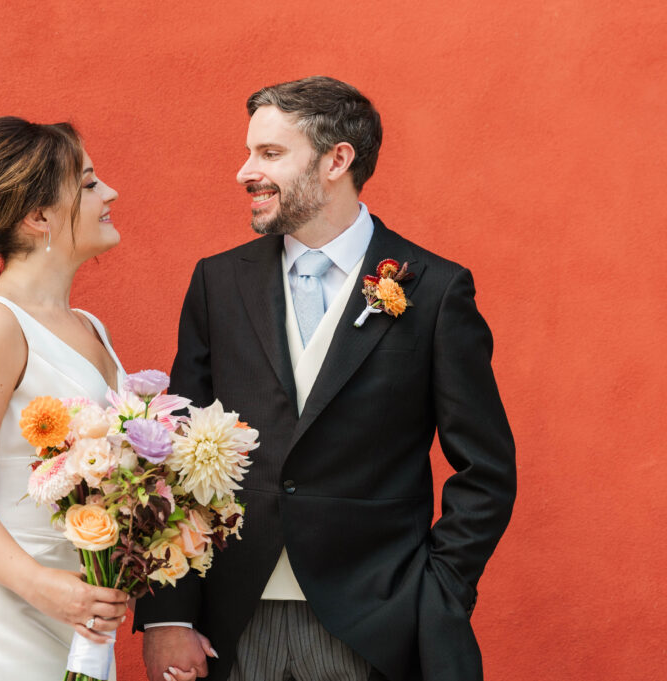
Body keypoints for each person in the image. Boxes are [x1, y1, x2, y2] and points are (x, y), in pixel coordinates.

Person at [134, 76, 517, 681]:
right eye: (249, 152)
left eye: (270, 154)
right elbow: (174, 461)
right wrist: (168, 617)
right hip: (233, 619)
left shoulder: (437, 290)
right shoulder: (217, 282)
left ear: (337, 159)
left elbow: (487, 471)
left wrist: (437, 593)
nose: (244, 172)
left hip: (375, 622)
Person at [0, 116, 134, 679]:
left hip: (76, 615)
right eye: (87, 184)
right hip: (1, 618)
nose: (109, 193)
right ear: (38, 217)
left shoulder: (89, 325)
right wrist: (43, 587)